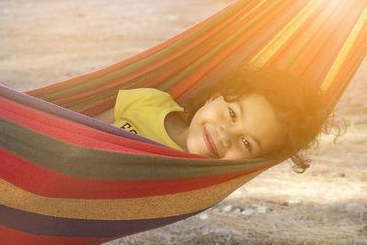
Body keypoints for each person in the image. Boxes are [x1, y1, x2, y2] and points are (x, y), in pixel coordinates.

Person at [96, 66, 339, 172]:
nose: (226, 135)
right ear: (213, 97)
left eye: (246, 143)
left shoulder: (187, 177)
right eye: (232, 114)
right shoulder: (150, 101)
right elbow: (74, 128)